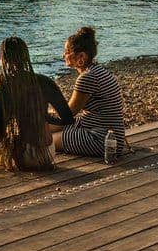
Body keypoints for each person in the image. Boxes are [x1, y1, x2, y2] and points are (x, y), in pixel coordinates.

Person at [0, 36, 74, 172]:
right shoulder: (45, 81)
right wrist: (43, 116)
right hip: (48, 154)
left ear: (4, 59)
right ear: (25, 56)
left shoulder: (2, 85)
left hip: (23, 158)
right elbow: (68, 119)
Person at [51, 25, 127, 163]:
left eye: (67, 51)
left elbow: (68, 114)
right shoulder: (99, 71)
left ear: (81, 56)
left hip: (101, 140)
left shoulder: (88, 77)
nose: (63, 55)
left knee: (47, 140)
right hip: (110, 134)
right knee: (48, 129)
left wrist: (46, 111)